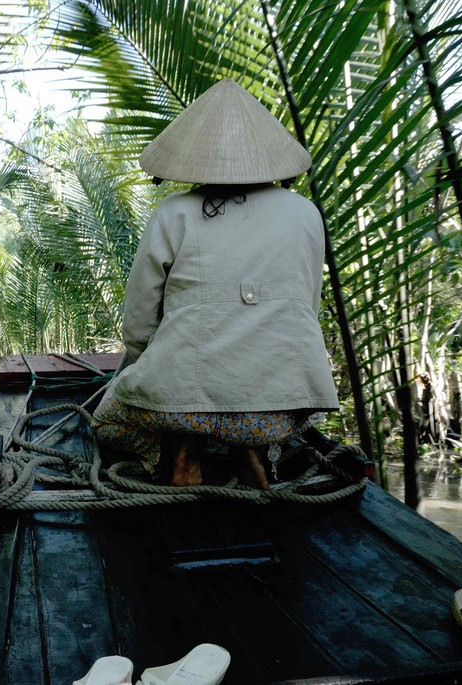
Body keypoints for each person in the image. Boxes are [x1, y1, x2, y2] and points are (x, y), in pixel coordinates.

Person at [91, 79, 339, 488]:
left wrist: (138, 365)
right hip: (278, 410)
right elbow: (305, 312)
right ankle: (252, 452)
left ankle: (185, 455)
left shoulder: (173, 214)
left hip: (183, 408)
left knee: (110, 420)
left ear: (199, 159)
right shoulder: (306, 214)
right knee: (241, 400)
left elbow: (138, 323)